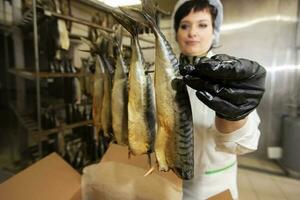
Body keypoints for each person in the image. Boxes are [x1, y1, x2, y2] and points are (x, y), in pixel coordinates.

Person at [171, 0, 266, 199]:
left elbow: (245, 142)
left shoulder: (229, 74)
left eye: (202, 24)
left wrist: (233, 114)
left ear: (215, 30)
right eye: (185, 25)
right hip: (167, 183)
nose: (192, 32)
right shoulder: (164, 75)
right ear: (176, 31)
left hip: (214, 188)